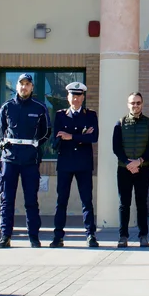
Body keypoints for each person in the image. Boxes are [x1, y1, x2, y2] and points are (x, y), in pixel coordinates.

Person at [0, 73, 51, 249]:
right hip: (10, 160)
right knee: (7, 200)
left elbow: (46, 132)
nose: (24, 87)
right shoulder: (7, 107)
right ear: (17, 86)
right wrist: (6, 146)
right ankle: (5, 236)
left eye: (27, 84)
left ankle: (33, 237)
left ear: (32, 87)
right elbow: (0, 129)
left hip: (30, 161)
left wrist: (35, 147)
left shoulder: (39, 108)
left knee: (31, 200)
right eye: (21, 84)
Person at [50, 82, 99, 248]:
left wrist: (71, 136)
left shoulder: (90, 115)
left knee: (87, 201)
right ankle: (58, 236)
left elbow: (93, 137)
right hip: (65, 162)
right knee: (61, 201)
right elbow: (56, 138)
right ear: (68, 97)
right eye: (73, 96)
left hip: (83, 163)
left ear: (83, 97)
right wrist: (81, 136)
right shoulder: (60, 115)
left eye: (79, 96)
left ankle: (90, 235)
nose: (76, 99)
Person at [113, 91, 149, 248]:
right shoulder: (120, 123)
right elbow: (116, 147)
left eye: (138, 103)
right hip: (124, 169)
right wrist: (128, 163)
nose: (135, 105)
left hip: (143, 169)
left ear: (142, 104)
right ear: (128, 104)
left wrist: (139, 161)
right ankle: (123, 236)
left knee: (141, 203)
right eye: (133, 103)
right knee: (124, 204)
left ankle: (143, 235)